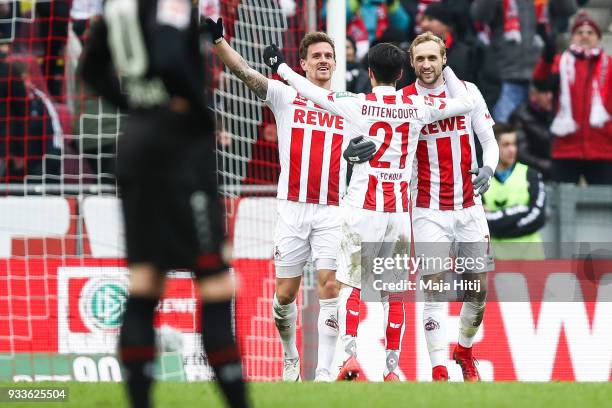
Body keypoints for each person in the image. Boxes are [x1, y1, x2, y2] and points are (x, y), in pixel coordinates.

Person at [264, 40, 475, 381]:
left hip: (361, 209)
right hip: (397, 215)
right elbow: (465, 103)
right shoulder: (417, 107)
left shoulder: (358, 105)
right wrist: (445, 67)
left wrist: (283, 69)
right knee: (394, 293)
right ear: (402, 73)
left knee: (351, 287)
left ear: (369, 73)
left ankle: (350, 359)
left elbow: (312, 93)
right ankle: (391, 369)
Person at [79, 2, 247, 407]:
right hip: (180, 153)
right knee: (215, 281)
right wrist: (199, 116)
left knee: (145, 282)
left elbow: (89, 69)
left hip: (135, 146)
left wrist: (134, 106)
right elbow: (171, 58)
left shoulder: (117, 6)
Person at [205, 18, 376, 382]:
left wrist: (368, 150)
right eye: (316, 55)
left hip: (333, 209)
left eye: (329, 55)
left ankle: (325, 373)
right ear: (303, 64)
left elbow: (383, 132)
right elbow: (245, 73)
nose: (324, 60)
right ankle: (290, 357)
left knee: (330, 284)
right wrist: (219, 41)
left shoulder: (348, 103)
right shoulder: (287, 95)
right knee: (285, 295)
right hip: (291, 210)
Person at [399, 32, 499, 382]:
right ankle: (439, 370)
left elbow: (488, 141)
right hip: (427, 210)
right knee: (435, 288)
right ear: (411, 63)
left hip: (469, 208)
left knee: (478, 291)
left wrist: (489, 168)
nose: (426, 65)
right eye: (420, 59)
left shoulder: (467, 92)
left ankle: (465, 350)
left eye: (432, 58)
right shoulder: (404, 101)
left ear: (444, 59)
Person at [532, 11, 612, 184]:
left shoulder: (610, 65)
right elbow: (540, 83)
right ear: (571, 38)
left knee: (603, 206)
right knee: (563, 204)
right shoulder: (560, 62)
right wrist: (546, 58)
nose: (585, 36)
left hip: (603, 149)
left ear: (598, 38)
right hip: (566, 148)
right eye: (579, 32)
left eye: (590, 32)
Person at [483, 124, 546, 259]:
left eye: (514, 144)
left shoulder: (531, 175)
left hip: (531, 258)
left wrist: (498, 227)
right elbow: (482, 223)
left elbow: (538, 218)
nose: (512, 150)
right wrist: (521, 210)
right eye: (506, 145)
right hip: (498, 261)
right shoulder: (481, 180)